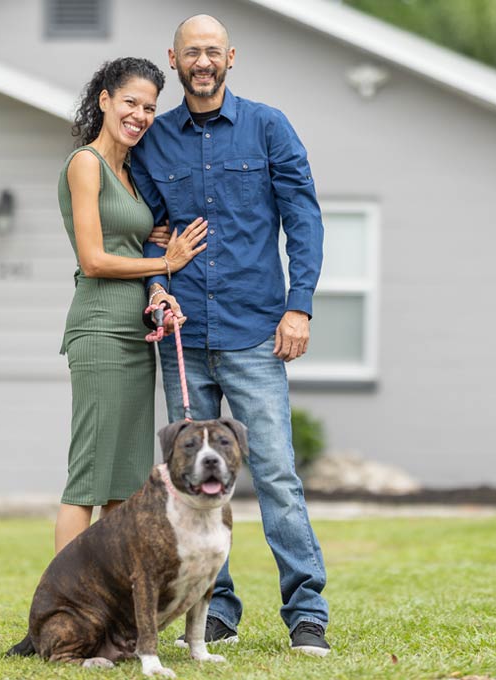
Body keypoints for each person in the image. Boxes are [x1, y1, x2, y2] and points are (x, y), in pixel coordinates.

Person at [129, 15, 331, 656]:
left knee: (275, 473)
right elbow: (146, 235)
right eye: (192, 53)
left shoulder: (269, 127)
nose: (203, 62)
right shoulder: (154, 142)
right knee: (191, 483)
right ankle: (214, 610)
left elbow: (304, 218)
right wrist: (156, 289)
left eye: (212, 51)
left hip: (252, 334)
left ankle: (307, 611)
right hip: (183, 338)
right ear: (175, 59)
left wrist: (298, 307)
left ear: (231, 57)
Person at [54, 57, 207, 555]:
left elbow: (134, 243)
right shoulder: (86, 164)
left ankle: (112, 615)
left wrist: (160, 289)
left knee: (124, 481)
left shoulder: (131, 174)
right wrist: (167, 262)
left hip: (137, 338)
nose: (140, 115)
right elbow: (95, 260)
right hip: (99, 333)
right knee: (89, 478)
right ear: (104, 100)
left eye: (149, 107)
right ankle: (62, 613)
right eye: (130, 103)